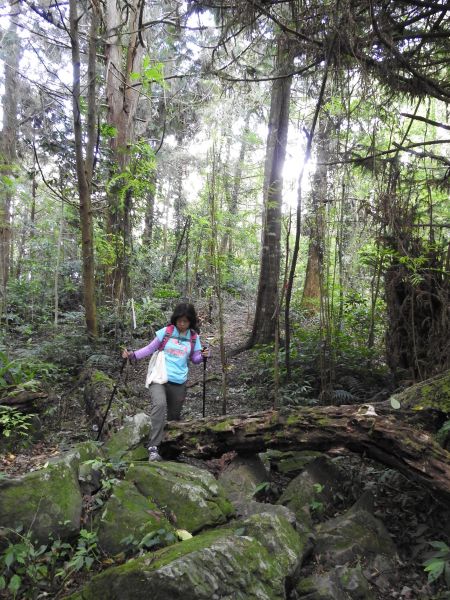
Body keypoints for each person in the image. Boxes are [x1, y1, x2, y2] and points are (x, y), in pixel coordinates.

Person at [122, 302, 209, 461]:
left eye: (186, 321)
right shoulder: (167, 332)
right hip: (159, 377)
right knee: (159, 405)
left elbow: (195, 358)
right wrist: (133, 355)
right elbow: (150, 348)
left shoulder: (193, 337)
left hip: (179, 381)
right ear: (175, 319)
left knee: (174, 417)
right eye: (180, 320)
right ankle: (153, 447)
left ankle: (169, 450)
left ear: (191, 322)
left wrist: (203, 355)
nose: (182, 324)